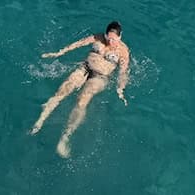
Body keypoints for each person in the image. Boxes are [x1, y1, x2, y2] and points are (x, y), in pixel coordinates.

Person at [30, 21, 130, 158]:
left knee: (82, 100)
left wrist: (120, 89)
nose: (110, 41)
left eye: (114, 39)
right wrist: (59, 53)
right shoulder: (98, 37)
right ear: (105, 34)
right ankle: (40, 121)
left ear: (120, 37)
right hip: (84, 68)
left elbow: (123, 73)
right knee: (63, 91)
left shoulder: (123, 51)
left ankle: (65, 137)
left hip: (100, 77)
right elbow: (78, 44)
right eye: (108, 37)